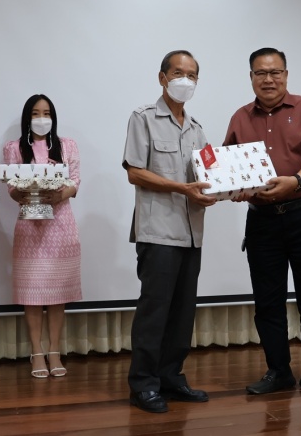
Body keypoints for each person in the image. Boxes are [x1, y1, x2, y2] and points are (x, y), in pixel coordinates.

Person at [223, 47, 301, 400]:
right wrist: (234, 188)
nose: (268, 79)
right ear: (251, 78)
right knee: (267, 300)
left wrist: (297, 180)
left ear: (286, 75)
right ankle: (279, 371)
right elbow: (229, 165)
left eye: (275, 72)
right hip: (262, 222)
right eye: (261, 73)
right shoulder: (240, 117)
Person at [122, 50, 216, 413]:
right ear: (162, 77)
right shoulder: (143, 118)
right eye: (178, 73)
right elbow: (135, 172)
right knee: (155, 311)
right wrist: (183, 189)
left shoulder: (197, 129)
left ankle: (171, 377)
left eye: (192, 75)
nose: (185, 81)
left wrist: (219, 190)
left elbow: (207, 177)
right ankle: (143, 384)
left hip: (191, 232)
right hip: (158, 231)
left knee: (182, 312)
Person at [3, 94, 82, 379]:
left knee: (58, 294)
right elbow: (12, 189)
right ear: (27, 118)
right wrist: (26, 191)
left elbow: (75, 181)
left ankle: (55, 352)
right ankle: (36, 352)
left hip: (61, 225)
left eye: (46, 113)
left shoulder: (67, 145)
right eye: (35, 113)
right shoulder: (14, 148)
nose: (41, 118)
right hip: (30, 227)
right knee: (32, 294)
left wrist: (60, 194)